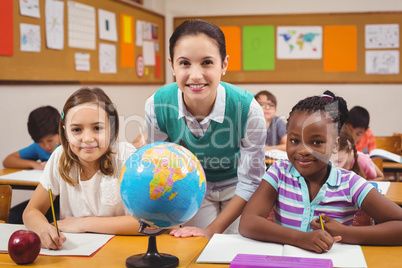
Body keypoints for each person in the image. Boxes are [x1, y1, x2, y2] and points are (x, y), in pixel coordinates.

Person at [145, 19, 266, 239]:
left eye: (207, 62)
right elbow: (160, 166)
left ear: (224, 64)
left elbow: (251, 181)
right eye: (184, 63)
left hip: (239, 188)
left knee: (234, 246)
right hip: (193, 187)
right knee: (195, 247)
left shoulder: (248, 109)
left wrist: (212, 230)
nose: (196, 75)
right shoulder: (157, 105)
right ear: (172, 65)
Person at [239, 91, 402, 253]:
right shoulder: (279, 172)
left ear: (336, 144)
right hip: (287, 262)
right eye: (295, 140)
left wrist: (344, 233)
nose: (303, 150)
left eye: (317, 142)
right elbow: (248, 222)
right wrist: (300, 238)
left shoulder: (350, 183)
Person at [23, 87, 140, 250]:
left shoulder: (128, 157)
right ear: (65, 133)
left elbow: (148, 223)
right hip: (74, 252)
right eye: (76, 130)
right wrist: (43, 228)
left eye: (97, 128)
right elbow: (31, 211)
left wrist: (83, 224)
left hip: (124, 251)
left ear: (111, 129)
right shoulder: (59, 157)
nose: (87, 138)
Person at [3, 105, 60, 170]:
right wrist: (35, 164)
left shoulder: (70, 145)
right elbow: (7, 161)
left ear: (60, 132)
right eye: (40, 141)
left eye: (50, 140)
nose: (46, 146)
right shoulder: (37, 147)